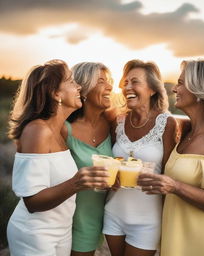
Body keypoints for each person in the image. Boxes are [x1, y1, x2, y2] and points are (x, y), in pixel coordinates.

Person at [138, 59, 204, 256]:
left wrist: (174, 186)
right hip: (177, 234)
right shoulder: (187, 131)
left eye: (181, 83)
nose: (174, 89)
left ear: (200, 91)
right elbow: (163, 119)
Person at [7, 60, 109, 256]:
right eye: (71, 81)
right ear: (55, 93)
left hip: (62, 231)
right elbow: (32, 202)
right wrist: (76, 183)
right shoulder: (37, 131)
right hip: (35, 233)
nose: (78, 86)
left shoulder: (59, 131)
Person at [103, 59, 178, 256]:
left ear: (153, 89)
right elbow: (111, 163)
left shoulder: (167, 123)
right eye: (125, 82)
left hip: (148, 220)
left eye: (134, 82)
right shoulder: (117, 121)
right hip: (113, 212)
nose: (127, 87)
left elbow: (171, 173)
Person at [60, 62, 114, 256]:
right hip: (66, 220)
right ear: (82, 88)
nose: (109, 87)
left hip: (95, 219)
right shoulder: (65, 128)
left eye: (109, 81)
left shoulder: (112, 124)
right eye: (101, 81)